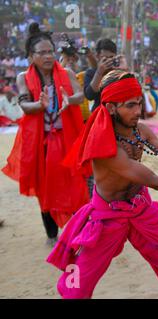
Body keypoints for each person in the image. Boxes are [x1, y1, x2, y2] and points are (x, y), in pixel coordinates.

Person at [47, 70, 158, 299]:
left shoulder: (140, 130)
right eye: (130, 106)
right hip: (107, 216)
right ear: (112, 108)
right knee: (77, 287)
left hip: (142, 208)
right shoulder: (105, 146)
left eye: (139, 104)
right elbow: (155, 181)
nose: (138, 111)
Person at [2, 23, 88, 245]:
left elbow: (80, 95)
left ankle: (77, 232)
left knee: (74, 185)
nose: (48, 56)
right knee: (45, 191)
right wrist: (39, 105)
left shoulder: (66, 72)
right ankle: (52, 235)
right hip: (41, 144)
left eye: (51, 51)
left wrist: (71, 100)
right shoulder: (23, 78)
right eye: (42, 53)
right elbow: (25, 107)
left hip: (67, 139)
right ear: (31, 56)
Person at [84, 38, 125, 112]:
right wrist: (99, 72)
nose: (109, 61)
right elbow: (89, 95)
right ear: (97, 56)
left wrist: (125, 70)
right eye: (105, 58)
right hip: (99, 114)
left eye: (111, 57)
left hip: (118, 114)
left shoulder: (119, 72)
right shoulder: (91, 73)